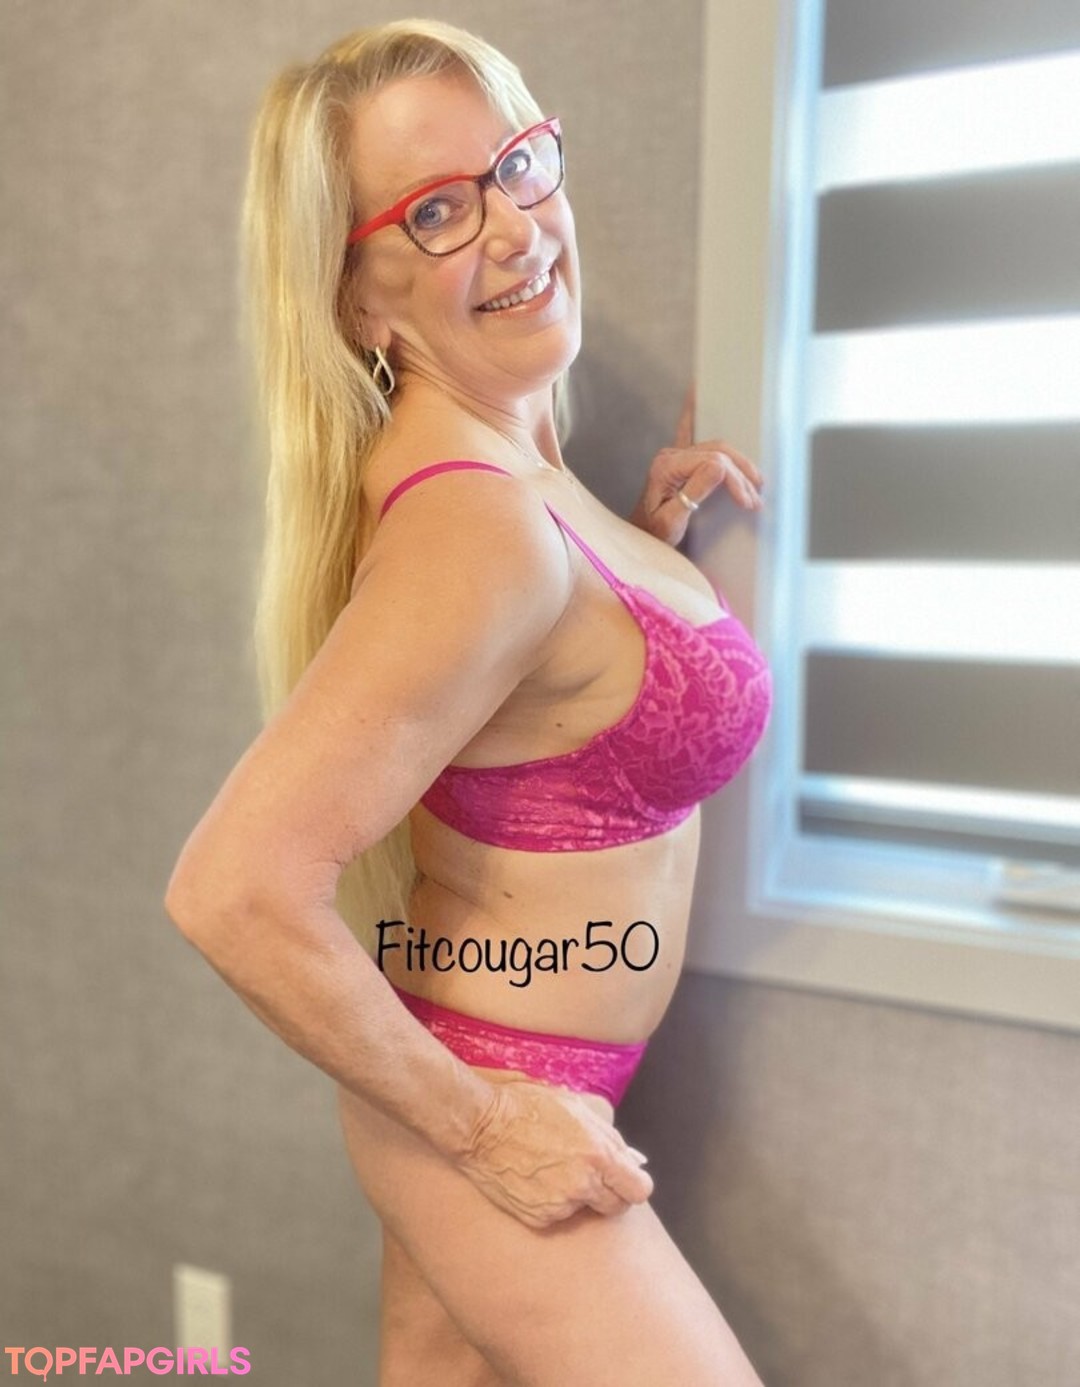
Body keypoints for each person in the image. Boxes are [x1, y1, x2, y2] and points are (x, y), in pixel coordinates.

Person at [164, 18, 771, 1386]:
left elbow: (536, 715)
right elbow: (231, 892)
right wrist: (488, 1130)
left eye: (518, 164)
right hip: (488, 1088)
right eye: (438, 211)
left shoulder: (525, 490)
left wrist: (643, 564)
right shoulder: (478, 527)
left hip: (538, 1067)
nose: (514, 227)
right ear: (358, 301)